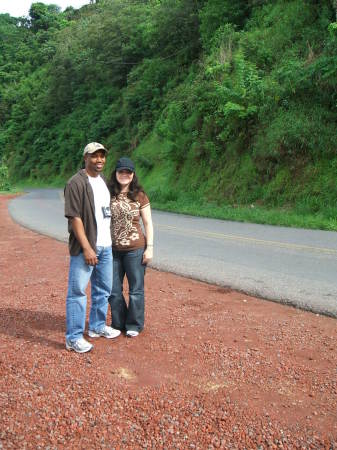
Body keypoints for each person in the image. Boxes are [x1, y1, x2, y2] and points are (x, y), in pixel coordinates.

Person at [64, 142, 121, 353]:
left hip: (106, 246)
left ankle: (97, 326)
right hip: (86, 248)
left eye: (102, 156)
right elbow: (75, 218)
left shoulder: (103, 181)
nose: (99, 160)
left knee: (103, 290)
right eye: (94, 156)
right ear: (85, 158)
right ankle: (73, 337)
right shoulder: (76, 183)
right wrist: (88, 248)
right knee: (78, 292)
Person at [108, 157, 153, 337]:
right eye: (121, 171)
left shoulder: (139, 195)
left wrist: (149, 248)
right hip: (112, 250)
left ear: (133, 174)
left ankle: (134, 324)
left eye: (128, 172)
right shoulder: (108, 194)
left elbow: (148, 223)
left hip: (135, 249)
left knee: (136, 289)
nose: (124, 175)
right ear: (116, 173)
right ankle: (119, 323)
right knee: (112, 290)